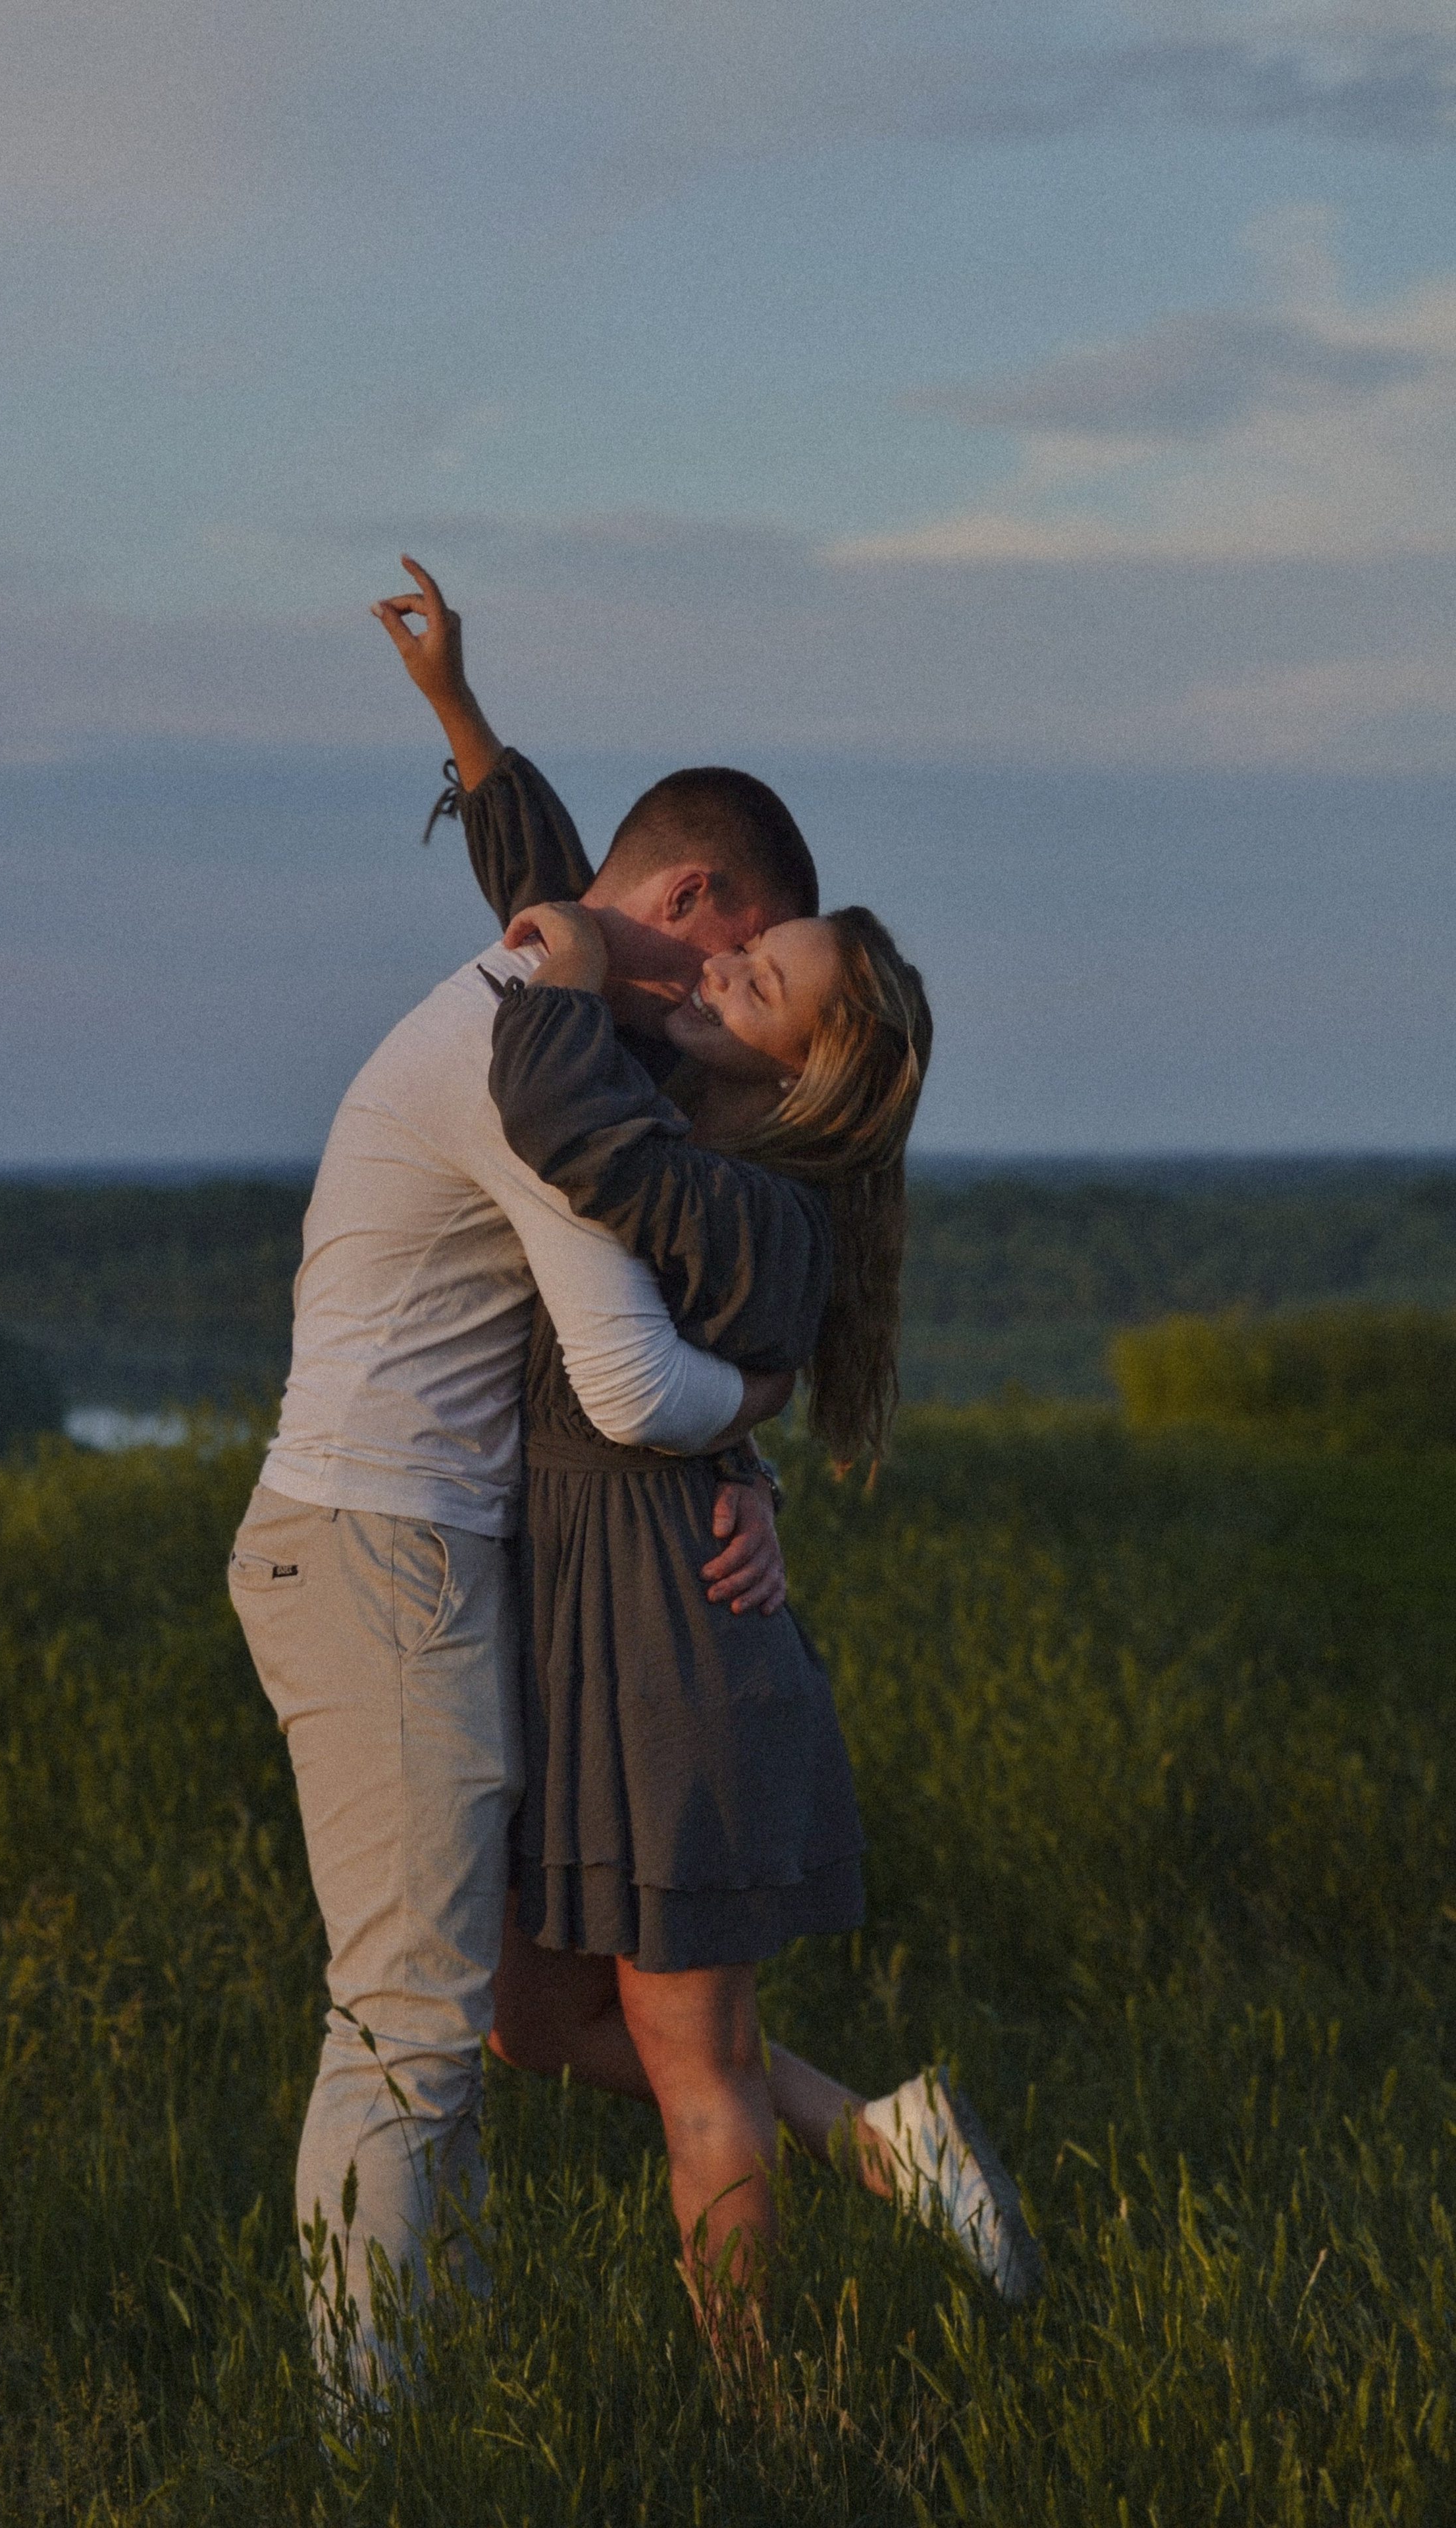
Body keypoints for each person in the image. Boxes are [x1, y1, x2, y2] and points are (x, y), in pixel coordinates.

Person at [374, 560, 1044, 2331]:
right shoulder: (687, 1113)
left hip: (676, 1663)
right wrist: (462, 718)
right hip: (576, 1639)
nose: (721, 964)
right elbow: (564, 906)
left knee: (694, 2067)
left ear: (800, 1076)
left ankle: (766, 2413)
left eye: (755, 981)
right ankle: (887, 2145)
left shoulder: (753, 1214)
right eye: (740, 943)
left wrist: (572, 968)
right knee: (534, 2021)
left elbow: (561, 1089)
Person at [228, 577, 816, 2388]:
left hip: (411, 1550)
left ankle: (438, 2416)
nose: (728, 996)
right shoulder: (531, 1053)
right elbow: (633, 1378)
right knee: (408, 2031)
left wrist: (465, 719)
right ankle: (365, 2450)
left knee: (456, 2024)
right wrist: (762, 1399)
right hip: (377, 1545)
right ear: (691, 911)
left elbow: (546, 881)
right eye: (746, 954)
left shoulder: (556, 988)